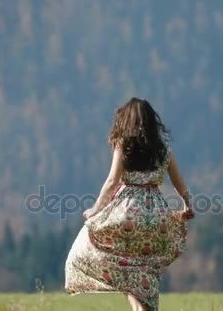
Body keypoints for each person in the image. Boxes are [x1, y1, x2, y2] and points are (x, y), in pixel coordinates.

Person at [65, 97, 194, 311]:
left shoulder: (123, 145)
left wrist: (95, 209)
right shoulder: (164, 150)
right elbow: (180, 183)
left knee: (104, 253)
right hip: (157, 219)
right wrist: (188, 205)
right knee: (144, 266)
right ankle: (142, 307)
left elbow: (111, 181)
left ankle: (138, 306)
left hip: (127, 214)